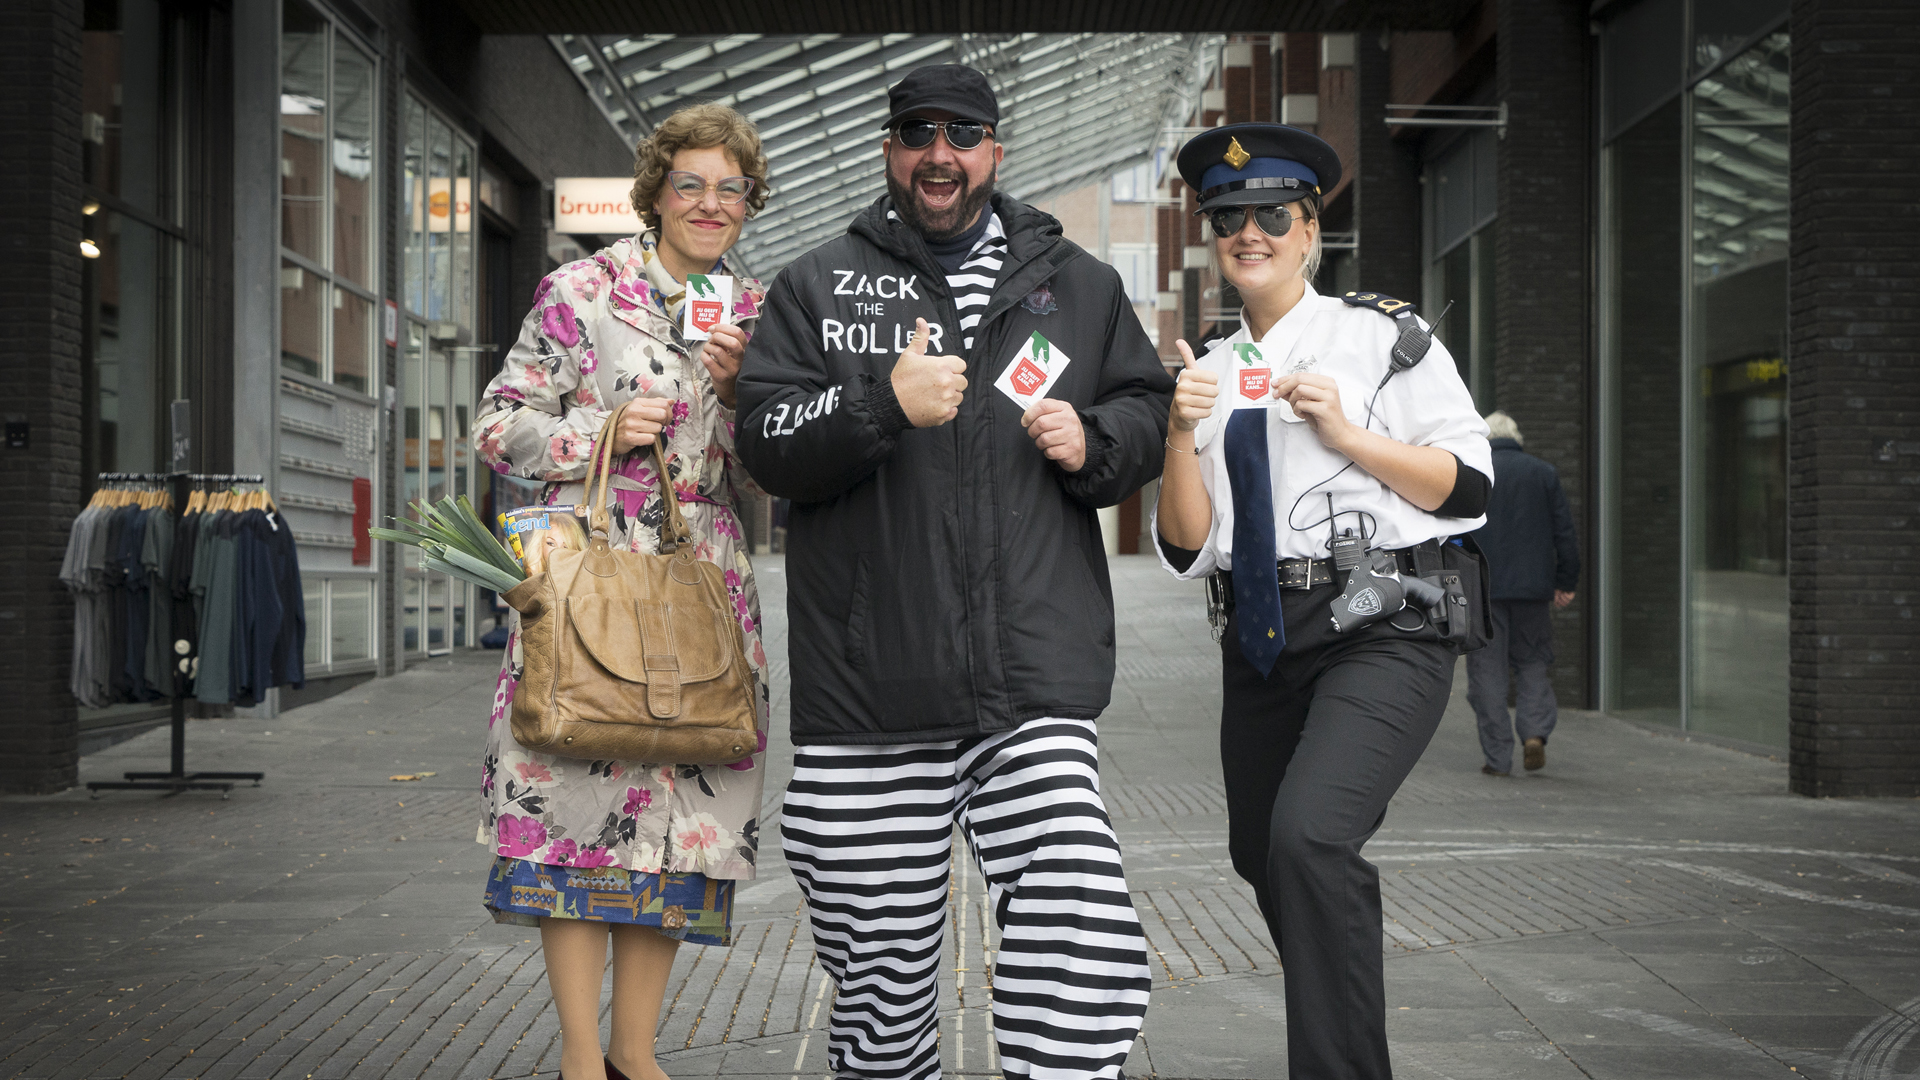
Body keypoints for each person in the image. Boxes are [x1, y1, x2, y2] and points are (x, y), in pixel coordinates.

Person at [734, 64, 1171, 1080]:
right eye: (917, 132)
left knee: (1076, 900)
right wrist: (879, 404)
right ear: (890, 150)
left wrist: (1098, 434)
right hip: (869, 682)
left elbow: (1149, 415)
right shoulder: (817, 284)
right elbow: (764, 438)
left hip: (1032, 676)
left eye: (962, 133)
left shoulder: (1083, 289)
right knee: (878, 968)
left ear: (995, 151)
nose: (941, 152)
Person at [1152, 122, 1492, 1080]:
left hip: (1380, 622)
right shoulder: (1207, 370)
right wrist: (1179, 431)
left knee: (1310, 838)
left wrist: (1348, 434)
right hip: (1259, 638)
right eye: (1227, 217)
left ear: (1310, 230)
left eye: (1270, 215)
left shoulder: (1384, 340)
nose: (1246, 232)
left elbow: (1468, 489)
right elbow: (1185, 544)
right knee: (1269, 858)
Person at [470, 102, 774, 1080]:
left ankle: (637, 1056)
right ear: (655, 192)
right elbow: (497, 423)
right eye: (690, 183)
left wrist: (741, 400)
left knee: (681, 825)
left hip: (703, 586)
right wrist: (594, 432)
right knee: (573, 796)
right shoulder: (582, 292)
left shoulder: (759, 316)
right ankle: (578, 1056)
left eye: (730, 188)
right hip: (590, 579)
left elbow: (783, 479)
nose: (709, 203)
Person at [1466, 410, 1579, 776]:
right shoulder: (1543, 472)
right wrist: (1566, 580)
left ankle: (1498, 759)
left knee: (1487, 670)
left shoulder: (1476, 472)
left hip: (1483, 587)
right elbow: (1565, 532)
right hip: (1533, 588)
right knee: (1532, 661)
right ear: (1517, 437)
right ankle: (1534, 733)